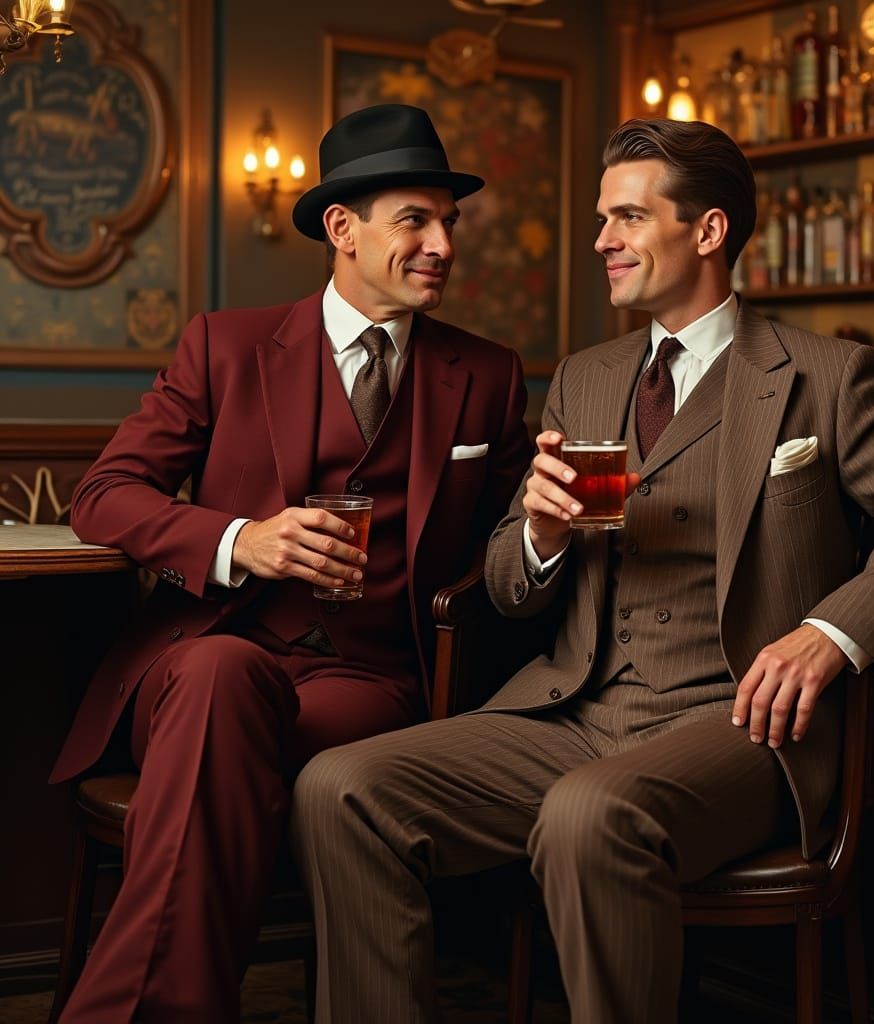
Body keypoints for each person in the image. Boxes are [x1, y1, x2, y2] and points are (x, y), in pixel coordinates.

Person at [291, 116, 874, 1024]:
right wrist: (542, 534)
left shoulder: (823, 377)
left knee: (590, 815)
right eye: (602, 219)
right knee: (341, 789)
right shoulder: (586, 377)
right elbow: (509, 584)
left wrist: (829, 636)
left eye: (627, 218)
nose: (602, 240)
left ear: (707, 231)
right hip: (576, 712)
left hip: (742, 727)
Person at [49, 103, 531, 1022]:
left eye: (448, 222)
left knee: (214, 725)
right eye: (414, 220)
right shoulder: (224, 346)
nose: (441, 245)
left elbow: (511, 538)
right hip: (210, 658)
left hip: (367, 682)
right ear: (342, 231)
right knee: (220, 672)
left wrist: (552, 519)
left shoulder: (489, 373)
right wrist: (241, 540)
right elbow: (103, 495)